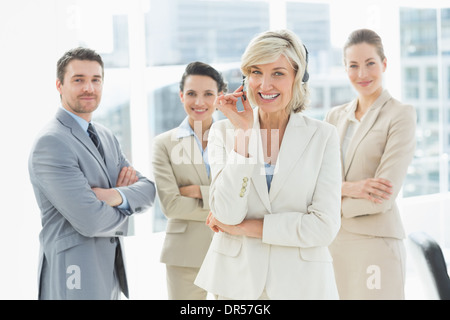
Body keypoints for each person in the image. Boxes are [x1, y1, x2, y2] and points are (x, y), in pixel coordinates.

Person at [194, 29, 342, 300]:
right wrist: (243, 134)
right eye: (256, 72)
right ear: (244, 79)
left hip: (303, 286)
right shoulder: (224, 133)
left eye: (278, 73)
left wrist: (242, 229)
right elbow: (226, 213)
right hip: (236, 285)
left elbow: (323, 227)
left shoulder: (323, 137)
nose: (264, 85)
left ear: (298, 77)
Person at [28, 47, 156, 300]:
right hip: (73, 272)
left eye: (95, 80)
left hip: (108, 273)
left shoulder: (105, 136)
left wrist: (111, 196)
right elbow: (90, 221)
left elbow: (149, 190)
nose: (89, 88)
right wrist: (128, 203)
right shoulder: (52, 142)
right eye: (78, 80)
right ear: (59, 85)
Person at [324, 29, 417, 300]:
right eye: (353, 65)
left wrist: (332, 198)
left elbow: (382, 197)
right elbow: (317, 181)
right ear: (345, 68)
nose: (362, 74)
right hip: (334, 244)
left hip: (375, 244)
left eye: (370, 63)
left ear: (384, 64)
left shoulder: (400, 115)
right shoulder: (334, 116)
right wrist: (350, 188)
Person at [152, 61, 227, 300]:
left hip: (231, 249)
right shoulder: (164, 143)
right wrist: (220, 201)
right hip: (184, 254)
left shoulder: (236, 139)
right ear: (181, 96)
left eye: (208, 94)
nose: (199, 102)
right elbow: (171, 205)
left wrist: (199, 192)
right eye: (192, 94)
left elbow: (244, 197)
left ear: (220, 97)